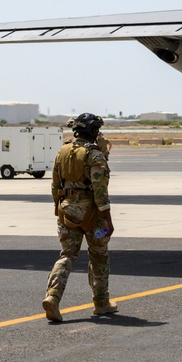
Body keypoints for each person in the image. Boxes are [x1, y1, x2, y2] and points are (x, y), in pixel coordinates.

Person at [43, 113, 118, 321]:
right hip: (92, 215)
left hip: (67, 212)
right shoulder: (94, 155)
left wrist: (60, 211)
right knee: (99, 256)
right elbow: (100, 192)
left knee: (67, 255)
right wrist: (108, 221)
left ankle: (52, 297)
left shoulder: (63, 152)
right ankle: (101, 303)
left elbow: (55, 187)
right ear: (93, 132)